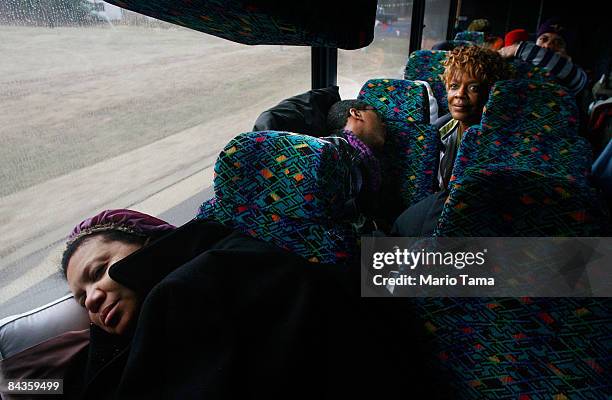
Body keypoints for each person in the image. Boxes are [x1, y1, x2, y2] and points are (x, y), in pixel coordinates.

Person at [392, 46, 512, 236]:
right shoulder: (438, 132)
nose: (460, 95)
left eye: (473, 88)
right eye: (454, 86)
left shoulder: (500, 142)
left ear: (490, 93)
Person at [325, 99, 389, 228]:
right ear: (356, 113)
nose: (384, 124)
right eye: (379, 116)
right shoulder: (331, 154)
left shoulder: (365, 160)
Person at [498, 17, 587, 95]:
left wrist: (516, 49)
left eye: (557, 43)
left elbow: (577, 81)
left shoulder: (575, 72)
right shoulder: (516, 61)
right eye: (544, 39)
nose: (548, 45)